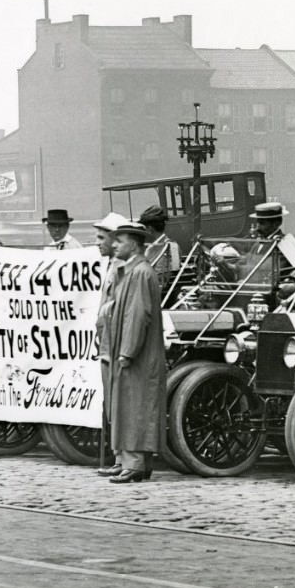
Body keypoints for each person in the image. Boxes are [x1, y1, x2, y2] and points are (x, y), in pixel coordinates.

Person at [103, 221, 167, 483]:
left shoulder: (140, 273)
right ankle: (127, 460)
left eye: (120, 240)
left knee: (136, 406)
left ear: (135, 244)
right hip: (131, 351)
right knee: (127, 406)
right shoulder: (131, 272)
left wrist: (127, 351)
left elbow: (137, 316)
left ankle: (136, 464)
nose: (114, 244)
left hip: (137, 354)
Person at [92, 211, 128, 447]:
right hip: (106, 339)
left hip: (114, 340)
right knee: (110, 399)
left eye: (101, 238)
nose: (97, 243)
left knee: (117, 399)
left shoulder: (120, 268)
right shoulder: (111, 266)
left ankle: (118, 451)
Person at [139, 205, 181, 290]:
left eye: (144, 228)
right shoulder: (153, 246)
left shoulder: (170, 247)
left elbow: (163, 279)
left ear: (150, 229)